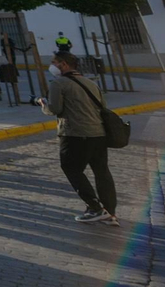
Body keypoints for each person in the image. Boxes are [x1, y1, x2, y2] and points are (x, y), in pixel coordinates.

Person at [42, 51, 118, 227]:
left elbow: (55, 108)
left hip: (75, 134)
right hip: (98, 134)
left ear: (64, 64)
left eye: (54, 62)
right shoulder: (91, 83)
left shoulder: (58, 84)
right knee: (102, 172)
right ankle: (110, 213)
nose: (52, 66)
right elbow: (102, 107)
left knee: (71, 168)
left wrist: (43, 105)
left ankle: (94, 207)